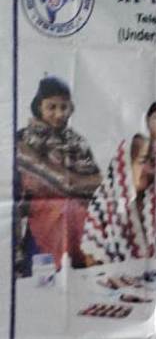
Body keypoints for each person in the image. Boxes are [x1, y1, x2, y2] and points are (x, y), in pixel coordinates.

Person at [15, 75, 101, 272]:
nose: (59, 114)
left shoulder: (77, 141)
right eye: (51, 107)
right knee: (64, 210)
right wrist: (68, 184)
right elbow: (28, 184)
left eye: (64, 107)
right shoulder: (24, 139)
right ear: (39, 107)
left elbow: (96, 182)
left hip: (78, 210)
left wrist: (73, 186)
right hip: (39, 212)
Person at [80, 134, 156, 265]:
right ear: (125, 163)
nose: (149, 170)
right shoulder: (103, 200)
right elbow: (90, 255)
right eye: (142, 161)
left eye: (152, 162)